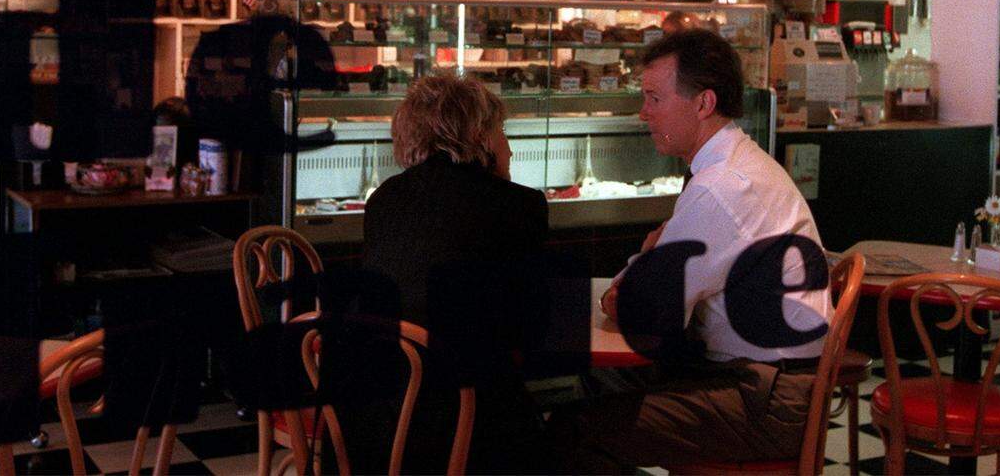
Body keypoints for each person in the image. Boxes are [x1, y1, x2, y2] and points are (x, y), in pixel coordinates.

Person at [556, 29, 833, 473]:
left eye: (655, 99)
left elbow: (643, 310)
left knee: (575, 427)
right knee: (604, 378)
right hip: (765, 379)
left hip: (766, 398)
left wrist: (636, 273)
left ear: (703, 103)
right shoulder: (737, 165)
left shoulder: (723, 188)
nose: (643, 113)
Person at [339, 72, 549, 473]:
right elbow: (531, 329)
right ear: (481, 136)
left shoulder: (384, 200)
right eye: (502, 131)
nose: (510, 147)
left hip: (372, 419)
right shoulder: (519, 205)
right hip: (462, 425)